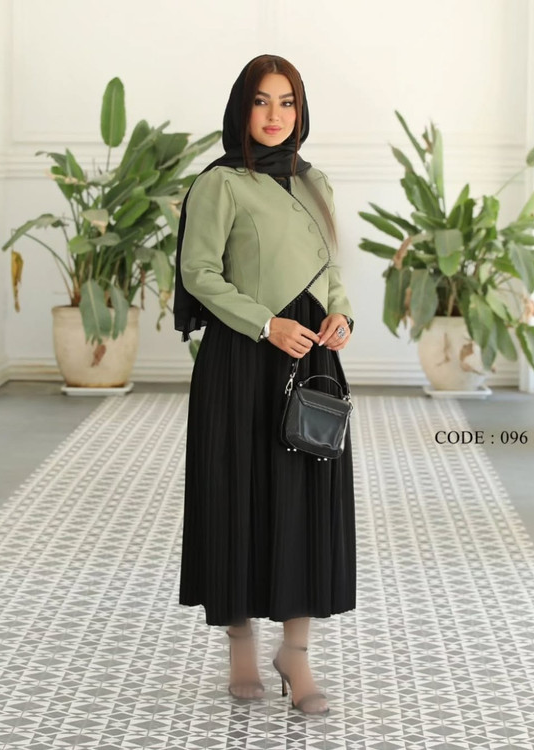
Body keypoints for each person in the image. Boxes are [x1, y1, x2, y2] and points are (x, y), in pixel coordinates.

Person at [175, 54, 356, 716]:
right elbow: (199, 273)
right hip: (243, 359)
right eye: (261, 101)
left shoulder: (315, 181)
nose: (275, 115)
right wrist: (265, 324)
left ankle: (296, 654)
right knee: (237, 497)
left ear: (300, 111)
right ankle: (242, 651)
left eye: (287, 102)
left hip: (311, 358)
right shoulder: (220, 183)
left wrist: (342, 315)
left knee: (305, 501)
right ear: (240, 108)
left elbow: (332, 269)